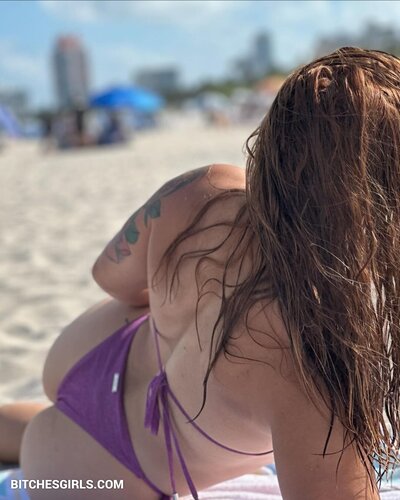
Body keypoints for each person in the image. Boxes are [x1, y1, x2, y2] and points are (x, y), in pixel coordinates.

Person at [1, 46, 398, 499]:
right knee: (71, 439)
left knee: (59, 426)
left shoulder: (207, 187)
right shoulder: (315, 356)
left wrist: (190, 316)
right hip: (98, 471)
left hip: (91, 352)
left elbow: (110, 277)